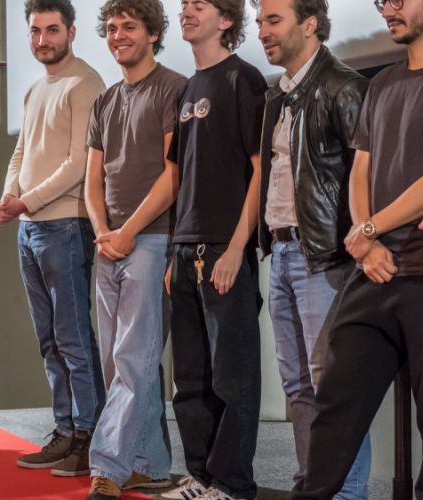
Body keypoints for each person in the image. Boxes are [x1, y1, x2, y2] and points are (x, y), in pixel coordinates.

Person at [291, 0, 423, 498]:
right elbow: (361, 169)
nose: (388, 9)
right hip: (374, 272)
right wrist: (365, 239)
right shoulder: (382, 83)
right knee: (334, 407)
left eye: (399, 0)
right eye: (381, 2)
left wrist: (372, 226)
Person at [252, 0, 371, 497]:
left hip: (324, 258)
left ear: (310, 24)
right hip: (282, 252)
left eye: (273, 20)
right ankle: (313, 486)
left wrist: (361, 241)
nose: (262, 31)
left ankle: (345, 493)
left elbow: (367, 174)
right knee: (297, 386)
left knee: (332, 390)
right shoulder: (277, 96)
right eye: (260, 21)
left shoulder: (344, 86)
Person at [0, 0, 105, 477]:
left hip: (66, 226)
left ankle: (90, 437)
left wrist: (27, 201)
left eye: (52, 30)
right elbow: (21, 152)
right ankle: (64, 430)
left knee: (73, 338)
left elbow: (80, 163)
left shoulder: (86, 84)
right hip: (30, 228)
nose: (42, 40)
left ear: (71, 32)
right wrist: (9, 197)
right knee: (49, 340)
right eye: (36, 31)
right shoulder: (36, 88)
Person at [157, 1, 266, 499]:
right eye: (184, 4)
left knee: (233, 378)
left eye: (199, 5)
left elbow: (261, 169)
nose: (187, 11)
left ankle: (232, 483)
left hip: (224, 247)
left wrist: (237, 247)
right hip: (185, 250)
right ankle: (200, 477)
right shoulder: (188, 89)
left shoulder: (243, 79)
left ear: (226, 20)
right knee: (191, 379)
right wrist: (173, 252)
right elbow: (180, 178)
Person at [83, 1, 187, 499]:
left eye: (129, 27)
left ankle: (107, 466)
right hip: (110, 243)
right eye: (111, 27)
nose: (118, 35)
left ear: (152, 34)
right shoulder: (104, 101)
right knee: (118, 362)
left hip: (152, 239)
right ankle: (149, 463)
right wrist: (105, 231)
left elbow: (173, 175)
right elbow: (92, 180)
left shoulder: (172, 88)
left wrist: (129, 232)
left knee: (132, 358)